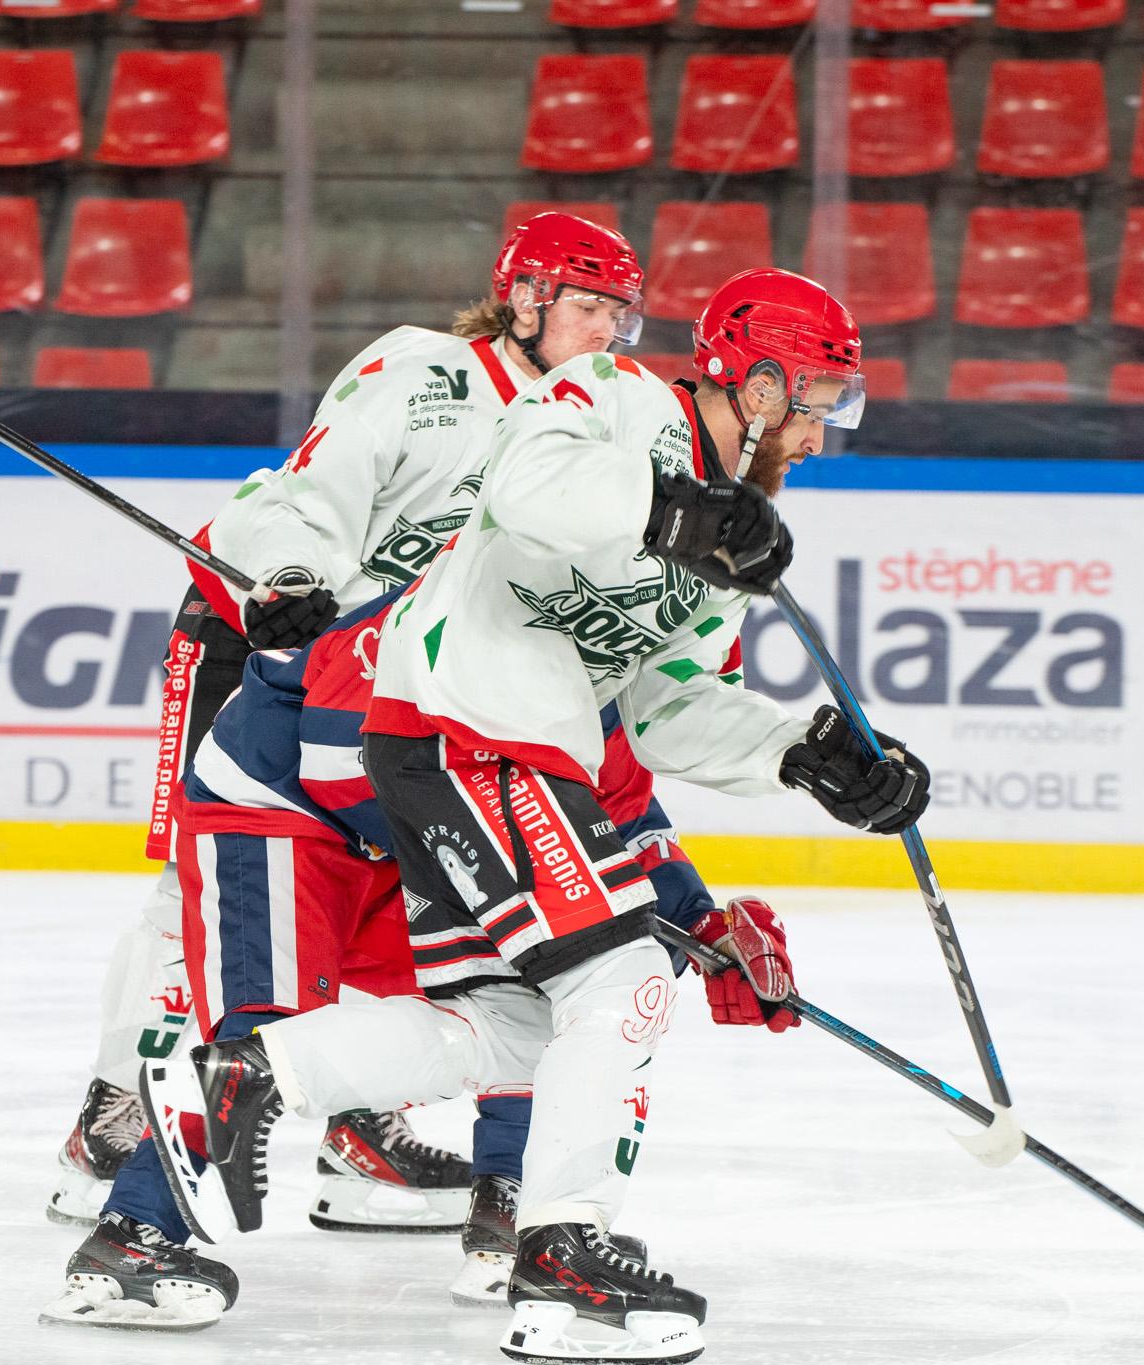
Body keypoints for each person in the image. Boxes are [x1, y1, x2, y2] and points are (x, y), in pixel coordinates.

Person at [146, 270, 933, 1364]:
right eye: (813, 401)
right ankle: (562, 1258)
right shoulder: (615, 398)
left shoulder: (731, 541)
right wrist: (670, 512)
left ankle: (254, 1076)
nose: (817, 434)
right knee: (624, 984)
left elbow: (656, 704)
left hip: (512, 746)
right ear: (754, 385)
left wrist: (799, 753)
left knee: (515, 1023)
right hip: (467, 724)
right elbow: (524, 489)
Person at [49, 213, 650, 1233]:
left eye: (618, 315)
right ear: (525, 299)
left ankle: (356, 1122)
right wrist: (287, 578)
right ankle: (115, 1119)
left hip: (387, 687)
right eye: (586, 306)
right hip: (264, 640)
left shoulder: (584, 427)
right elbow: (302, 498)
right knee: (199, 902)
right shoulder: (425, 375)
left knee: (411, 903)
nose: (604, 332)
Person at [45, 586, 778, 1331]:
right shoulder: (486, 619)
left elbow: (620, 806)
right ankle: (132, 1232)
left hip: (414, 820)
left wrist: (703, 921)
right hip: (276, 806)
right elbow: (337, 749)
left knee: (534, 990)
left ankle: (513, 1205)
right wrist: (511, 871)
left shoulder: (596, 666)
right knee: (265, 1025)